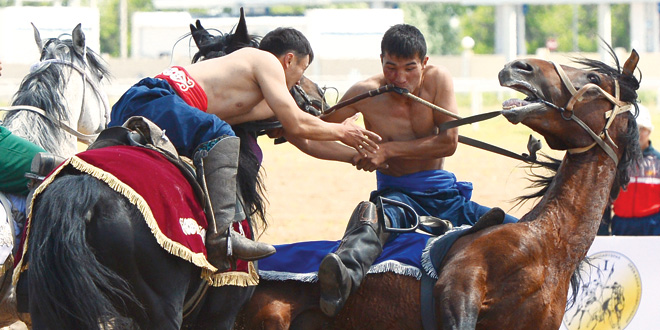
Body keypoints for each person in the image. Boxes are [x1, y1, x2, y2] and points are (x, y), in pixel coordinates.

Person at [109, 27, 381, 271]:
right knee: (220, 132)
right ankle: (222, 235)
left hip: (145, 104)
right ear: (288, 60)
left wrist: (355, 156)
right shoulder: (263, 60)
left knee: (217, 130)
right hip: (153, 98)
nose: (300, 80)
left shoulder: (260, 93)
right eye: (302, 70)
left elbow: (304, 138)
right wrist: (343, 131)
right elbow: (297, 123)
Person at [317, 24, 518, 317]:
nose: (400, 78)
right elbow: (316, 132)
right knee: (372, 224)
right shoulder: (364, 92)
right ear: (381, 62)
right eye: (391, 68)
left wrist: (387, 150)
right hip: (396, 194)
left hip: (445, 194)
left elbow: (449, 142)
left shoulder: (438, 79)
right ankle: (338, 284)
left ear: (424, 63)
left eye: (410, 68)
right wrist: (352, 155)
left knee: (516, 231)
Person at [610, 104, 660, 235]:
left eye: (641, 128)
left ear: (649, 131)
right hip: (621, 224)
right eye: (633, 129)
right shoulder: (616, 161)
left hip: (653, 225)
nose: (637, 133)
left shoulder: (658, 161)